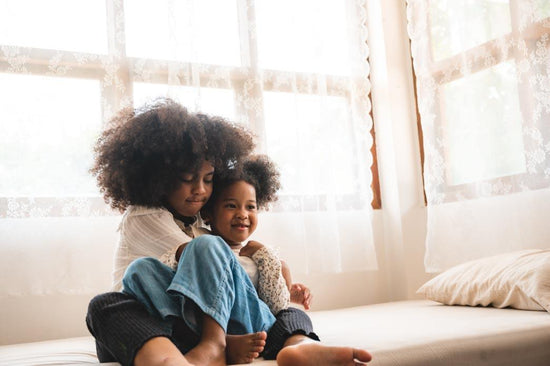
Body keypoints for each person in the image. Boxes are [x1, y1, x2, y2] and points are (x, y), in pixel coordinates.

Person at [85, 99, 320, 366]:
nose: (200, 190)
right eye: (187, 179)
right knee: (108, 302)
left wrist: (280, 284)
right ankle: (213, 346)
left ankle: (298, 343)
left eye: (208, 180)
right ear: (158, 178)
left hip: (199, 324)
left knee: (286, 311)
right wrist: (273, 265)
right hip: (148, 326)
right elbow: (227, 270)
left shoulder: (200, 223)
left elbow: (224, 275)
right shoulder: (146, 215)